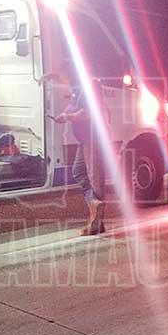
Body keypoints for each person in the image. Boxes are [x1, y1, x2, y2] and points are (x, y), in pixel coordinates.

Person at [48, 65, 110, 235]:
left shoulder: (87, 87)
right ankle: (95, 209)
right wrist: (64, 114)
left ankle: (95, 223)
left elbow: (86, 113)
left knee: (95, 179)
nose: (63, 82)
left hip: (93, 138)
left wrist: (67, 117)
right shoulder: (77, 87)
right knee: (79, 172)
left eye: (64, 77)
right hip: (85, 139)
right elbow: (74, 106)